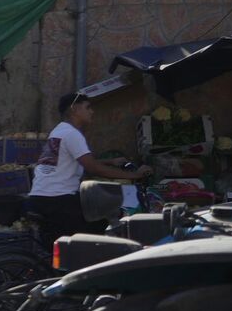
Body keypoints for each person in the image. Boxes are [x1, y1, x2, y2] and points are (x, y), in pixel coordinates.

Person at [23, 91, 149, 248]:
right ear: (74, 109)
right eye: (88, 107)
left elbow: (77, 161)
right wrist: (135, 175)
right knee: (100, 225)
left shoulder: (58, 131)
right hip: (58, 201)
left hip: (40, 198)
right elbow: (93, 168)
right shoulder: (72, 134)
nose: (92, 111)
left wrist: (110, 161)